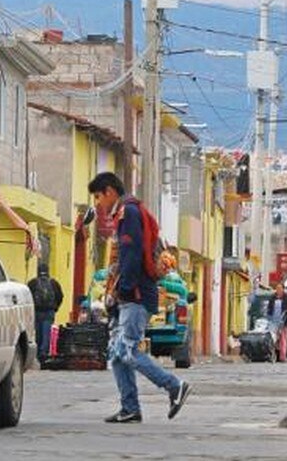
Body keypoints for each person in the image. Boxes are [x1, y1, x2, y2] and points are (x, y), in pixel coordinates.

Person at [89, 172, 191, 424]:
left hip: (135, 295)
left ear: (110, 191)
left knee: (128, 350)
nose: (98, 204)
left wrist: (123, 290)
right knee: (116, 354)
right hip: (130, 295)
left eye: (98, 197)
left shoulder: (128, 213)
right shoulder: (126, 212)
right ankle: (130, 408)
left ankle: (174, 386)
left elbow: (131, 255)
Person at [27, 262, 64, 364]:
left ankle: (38, 354)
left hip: (37, 311)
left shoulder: (32, 283)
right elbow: (60, 296)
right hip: (49, 312)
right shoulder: (54, 283)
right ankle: (44, 354)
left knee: (38, 333)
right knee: (46, 333)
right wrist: (55, 308)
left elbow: (28, 297)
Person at [267, 281, 287, 362]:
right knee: (273, 339)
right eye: (277, 288)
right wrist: (268, 314)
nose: (278, 290)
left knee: (283, 339)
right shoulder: (272, 297)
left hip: (284, 321)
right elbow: (269, 308)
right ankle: (272, 356)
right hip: (273, 321)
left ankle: (282, 357)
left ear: (283, 289)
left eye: (280, 288)